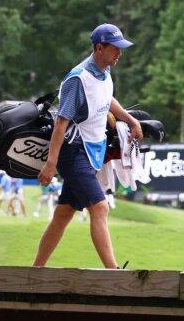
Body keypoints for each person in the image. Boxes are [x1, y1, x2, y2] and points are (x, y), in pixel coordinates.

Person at [33, 23, 143, 269]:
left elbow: (107, 99)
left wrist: (131, 119)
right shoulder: (77, 79)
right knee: (100, 207)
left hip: (90, 150)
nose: (119, 54)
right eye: (115, 49)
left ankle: (36, 271)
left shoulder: (105, 72)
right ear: (99, 47)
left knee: (63, 214)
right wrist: (51, 165)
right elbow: (61, 123)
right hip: (73, 151)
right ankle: (113, 272)